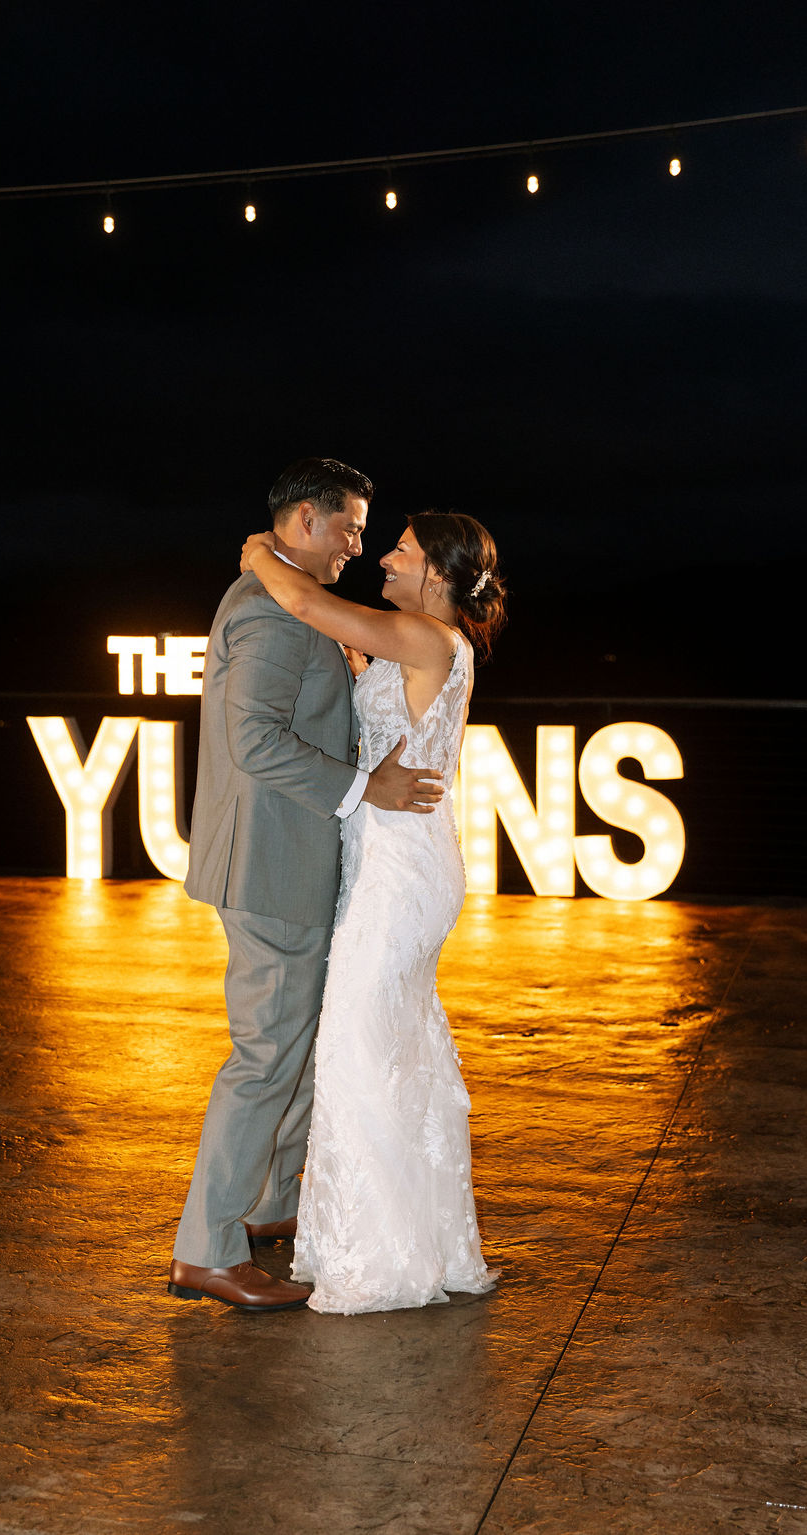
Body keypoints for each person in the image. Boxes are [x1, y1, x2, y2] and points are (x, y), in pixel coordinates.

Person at [168, 458, 445, 1313]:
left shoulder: (281, 596)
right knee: (264, 1057)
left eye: (368, 531)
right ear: (302, 521)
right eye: (351, 527)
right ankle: (207, 1248)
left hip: (284, 858)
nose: (359, 545)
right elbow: (253, 742)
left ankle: (270, 1206)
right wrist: (367, 789)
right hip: (272, 863)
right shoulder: (273, 612)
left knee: (292, 1044)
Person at [239, 509, 506, 1313]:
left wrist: (261, 551)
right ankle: (415, 1238)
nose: (384, 559)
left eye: (404, 551)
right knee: (395, 1049)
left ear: (442, 575)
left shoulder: (426, 638)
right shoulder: (416, 641)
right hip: (387, 862)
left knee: (357, 1048)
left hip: (400, 871)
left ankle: (380, 1258)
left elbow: (310, 606)